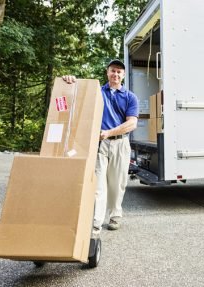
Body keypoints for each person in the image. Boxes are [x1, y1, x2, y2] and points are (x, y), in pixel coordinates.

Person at [62, 59, 139, 236]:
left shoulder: (130, 97)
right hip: (99, 145)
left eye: (119, 72)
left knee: (117, 183)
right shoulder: (97, 92)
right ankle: (97, 222)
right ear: (107, 72)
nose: (116, 74)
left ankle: (115, 215)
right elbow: (79, 93)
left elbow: (132, 123)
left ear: (123, 75)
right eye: (113, 70)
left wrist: (109, 132)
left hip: (120, 144)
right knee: (98, 184)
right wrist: (71, 80)